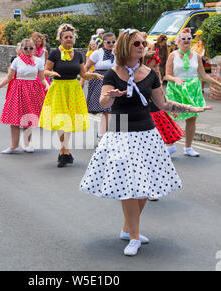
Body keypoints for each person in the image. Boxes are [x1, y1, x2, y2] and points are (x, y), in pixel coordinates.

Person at [79, 29, 212, 256]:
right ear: (125, 47)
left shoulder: (150, 74)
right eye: (137, 43)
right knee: (129, 187)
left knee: (143, 187)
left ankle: (127, 228)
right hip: (120, 131)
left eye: (143, 43)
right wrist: (111, 96)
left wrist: (190, 108)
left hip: (146, 132)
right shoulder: (112, 73)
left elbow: (163, 104)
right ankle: (133, 237)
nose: (142, 47)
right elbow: (102, 99)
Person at [39, 23, 103, 168]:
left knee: (69, 121)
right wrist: (52, 73)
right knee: (62, 121)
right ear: (60, 39)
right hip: (59, 89)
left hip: (73, 89)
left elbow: (83, 74)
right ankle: (65, 152)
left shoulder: (78, 55)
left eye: (71, 37)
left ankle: (64, 153)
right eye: (66, 37)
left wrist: (93, 75)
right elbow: (45, 71)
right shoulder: (55, 53)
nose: (69, 39)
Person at [164, 28, 221, 156]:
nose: (186, 41)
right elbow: (167, 75)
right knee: (172, 117)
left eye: (189, 38)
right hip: (176, 89)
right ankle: (170, 145)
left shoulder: (197, 56)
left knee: (192, 118)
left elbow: (203, 76)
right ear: (178, 41)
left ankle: (188, 148)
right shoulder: (172, 56)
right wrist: (175, 79)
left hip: (192, 89)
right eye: (183, 39)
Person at [0, 38, 49, 153]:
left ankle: (27, 144)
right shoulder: (17, 60)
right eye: (25, 48)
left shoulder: (39, 61)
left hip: (33, 91)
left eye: (31, 48)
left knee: (29, 118)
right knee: (14, 119)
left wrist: (47, 86)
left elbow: (42, 79)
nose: (28, 50)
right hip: (18, 90)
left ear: (34, 48)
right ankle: (14, 146)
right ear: (21, 48)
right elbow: (9, 77)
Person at [85, 32, 116, 140]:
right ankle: (102, 134)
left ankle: (104, 134)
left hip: (114, 80)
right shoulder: (97, 53)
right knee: (106, 109)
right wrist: (86, 78)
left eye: (113, 41)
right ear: (103, 42)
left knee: (111, 109)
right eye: (109, 42)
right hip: (100, 81)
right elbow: (86, 68)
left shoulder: (117, 53)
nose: (111, 44)